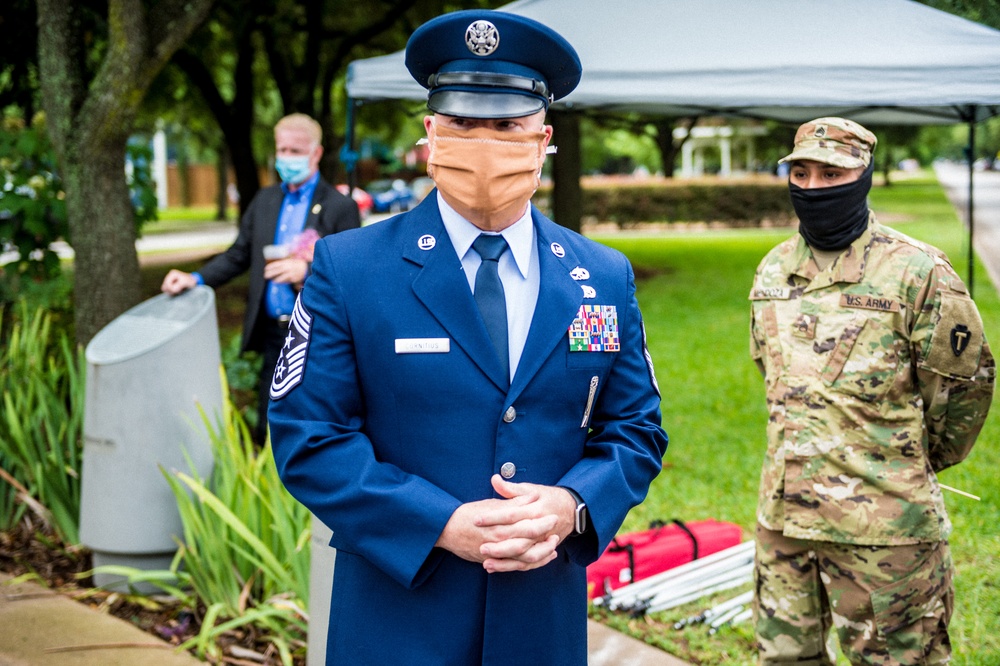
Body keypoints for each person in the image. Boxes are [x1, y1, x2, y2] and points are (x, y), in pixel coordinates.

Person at [267, 10, 668, 664]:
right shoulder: (351, 269)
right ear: (430, 134)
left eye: (508, 126)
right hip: (398, 620)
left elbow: (636, 428)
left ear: (543, 137)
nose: (485, 143)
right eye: (461, 124)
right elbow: (308, 437)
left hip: (540, 621)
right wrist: (438, 523)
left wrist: (573, 505)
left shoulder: (600, 275)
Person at [749, 117, 995, 665]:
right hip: (784, 523)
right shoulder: (773, 271)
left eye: (832, 172)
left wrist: (898, 463)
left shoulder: (917, 271)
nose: (812, 188)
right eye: (801, 172)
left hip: (884, 531)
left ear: (863, 175)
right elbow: (775, 379)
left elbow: (964, 390)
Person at [161, 113, 361, 443]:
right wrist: (195, 278)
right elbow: (239, 254)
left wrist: (307, 271)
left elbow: (354, 272)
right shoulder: (265, 201)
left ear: (316, 153)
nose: (286, 157)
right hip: (272, 333)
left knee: (316, 420)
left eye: (295, 150)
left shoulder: (340, 206)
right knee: (269, 423)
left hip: (319, 333)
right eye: (281, 149)